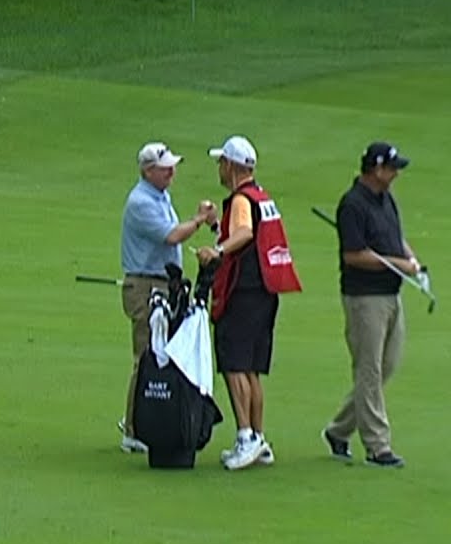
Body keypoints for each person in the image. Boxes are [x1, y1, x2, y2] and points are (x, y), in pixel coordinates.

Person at [196, 135, 302, 471]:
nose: (219, 168)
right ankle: (257, 437)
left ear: (231, 166)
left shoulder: (242, 199)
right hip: (264, 290)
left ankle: (246, 437)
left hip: (243, 290)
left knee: (235, 364)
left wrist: (217, 251)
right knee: (252, 367)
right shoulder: (261, 197)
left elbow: (243, 234)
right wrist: (216, 225)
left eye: (221, 162)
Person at [322, 142, 422, 469]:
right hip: (365, 300)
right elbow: (354, 255)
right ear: (376, 169)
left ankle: (339, 430)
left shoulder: (385, 199)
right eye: (392, 168)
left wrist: (410, 259)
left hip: (391, 295)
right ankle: (378, 447)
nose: (396, 174)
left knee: (385, 367)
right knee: (369, 370)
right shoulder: (352, 205)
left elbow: (395, 237)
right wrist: (397, 264)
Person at [119, 142, 217, 453]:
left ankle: (148, 419)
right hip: (145, 287)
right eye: (165, 168)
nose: (172, 172)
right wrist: (199, 220)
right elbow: (172, 235)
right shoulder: (141, 202)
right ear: (148, 171)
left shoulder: (160, 197)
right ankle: (133, 428)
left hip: (161, 285)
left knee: (161, 355)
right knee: (147, 357)